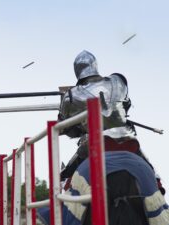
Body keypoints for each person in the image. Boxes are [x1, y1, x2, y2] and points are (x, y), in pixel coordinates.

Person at [59, 50, 165, 194]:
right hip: (126, 137)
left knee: (64, 177)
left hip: (93, 142)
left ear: (77, 70)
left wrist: (77, 126)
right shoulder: (118, 81)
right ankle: (157, 189)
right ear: (95, 65)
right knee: (152, 175)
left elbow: (66, 128)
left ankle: (66, 198)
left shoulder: (71, 95)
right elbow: (126, 105)